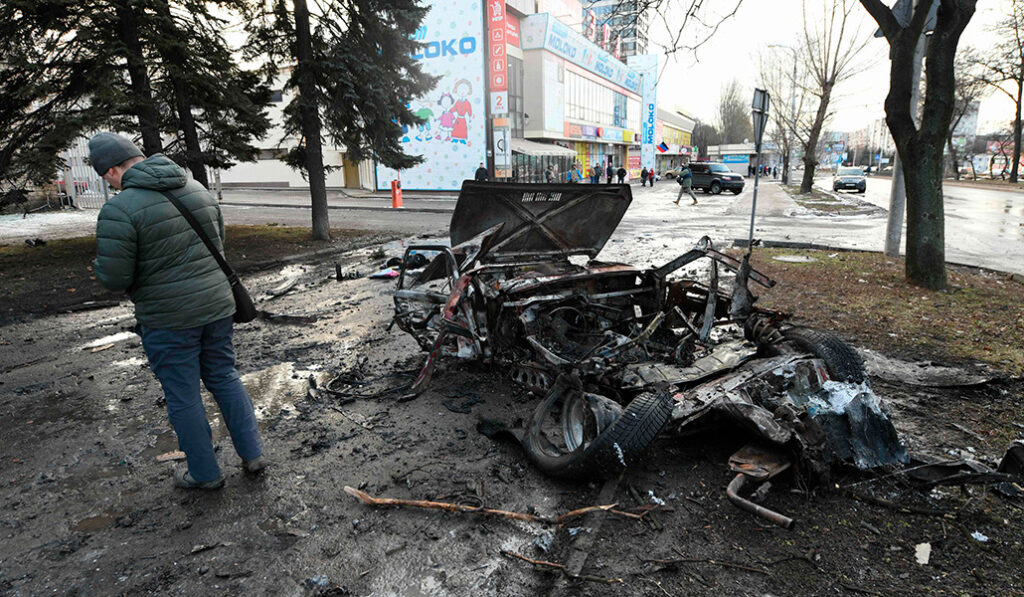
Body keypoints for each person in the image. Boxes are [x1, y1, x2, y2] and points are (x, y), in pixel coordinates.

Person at [90, 132, 264, 490]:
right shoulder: (197, 189)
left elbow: (115, 277)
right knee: (224, 376)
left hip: (168, 318)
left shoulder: (119, 209)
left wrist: (101, 267)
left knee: (183, 394)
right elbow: (218, 242)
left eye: (106, 178)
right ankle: (253, 454)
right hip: (218, 306)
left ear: (110, 171)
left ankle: (205, 474)